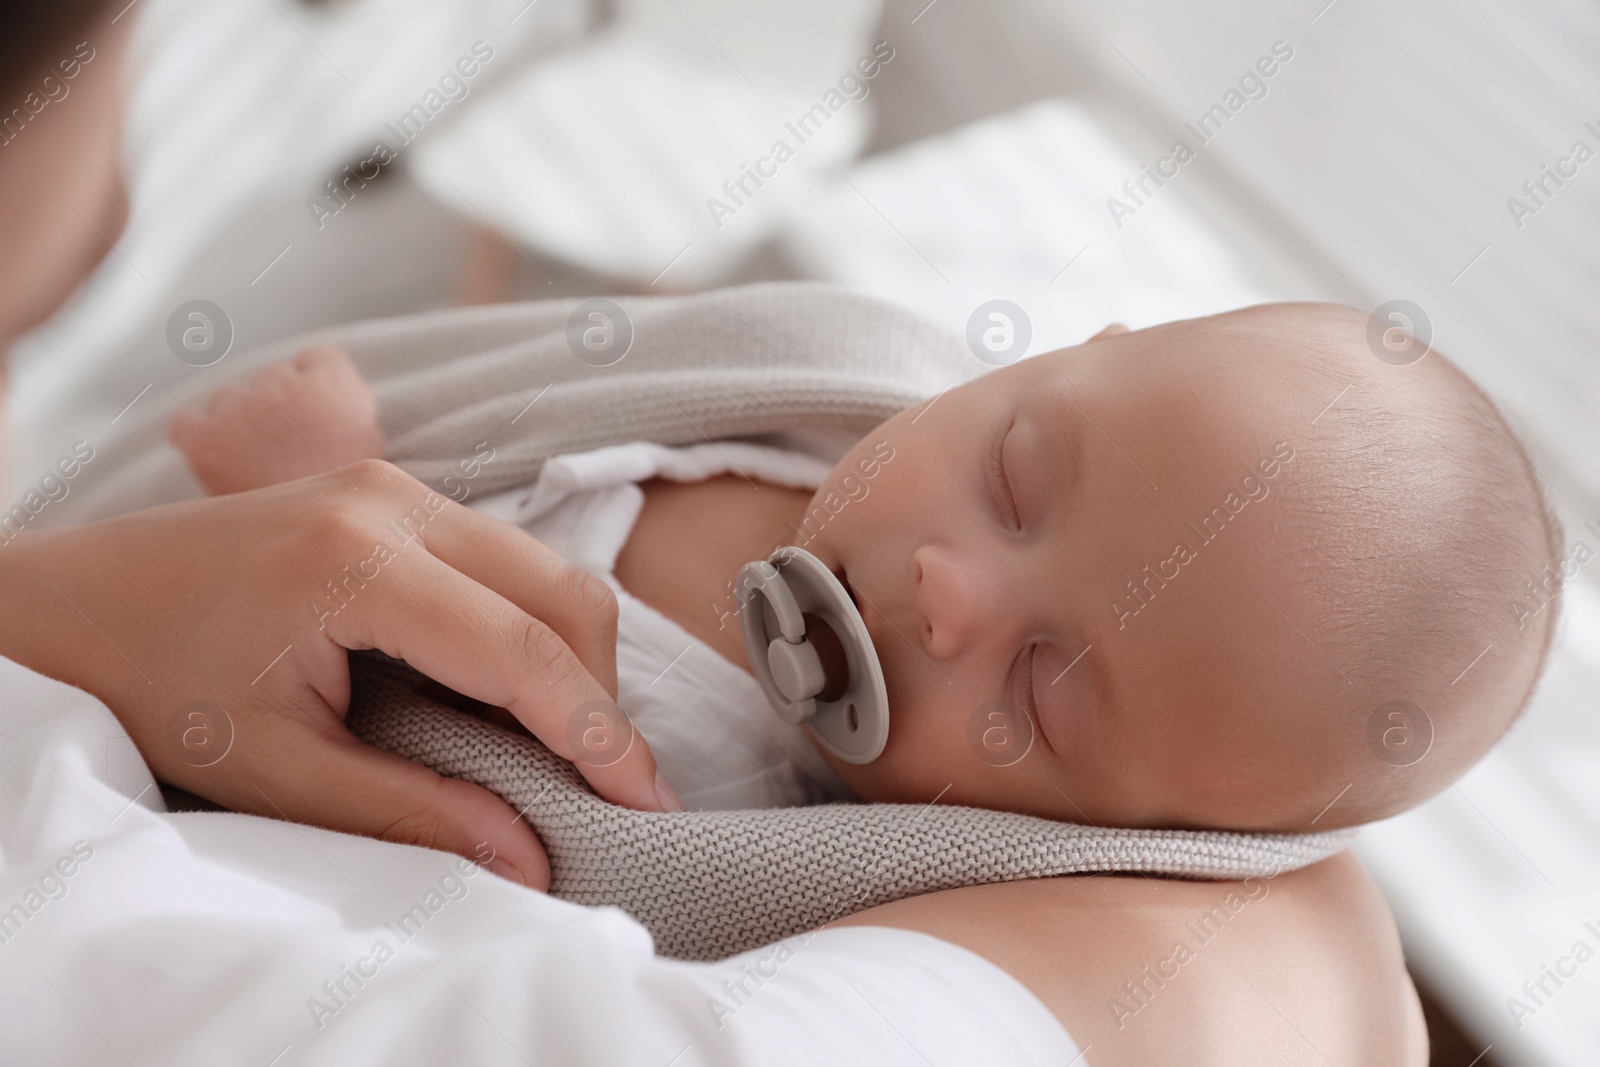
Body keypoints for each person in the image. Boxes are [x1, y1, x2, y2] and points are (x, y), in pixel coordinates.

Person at [0, 4, 1428, 1063]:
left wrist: (309, 488)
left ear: (1108, 836)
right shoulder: (821, 381)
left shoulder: (748, 834)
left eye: (1046, 684)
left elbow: (393, 706)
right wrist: (355, 467)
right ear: (1066, 356)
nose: (945, 596)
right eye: (1014, 479)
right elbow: (492, 448)